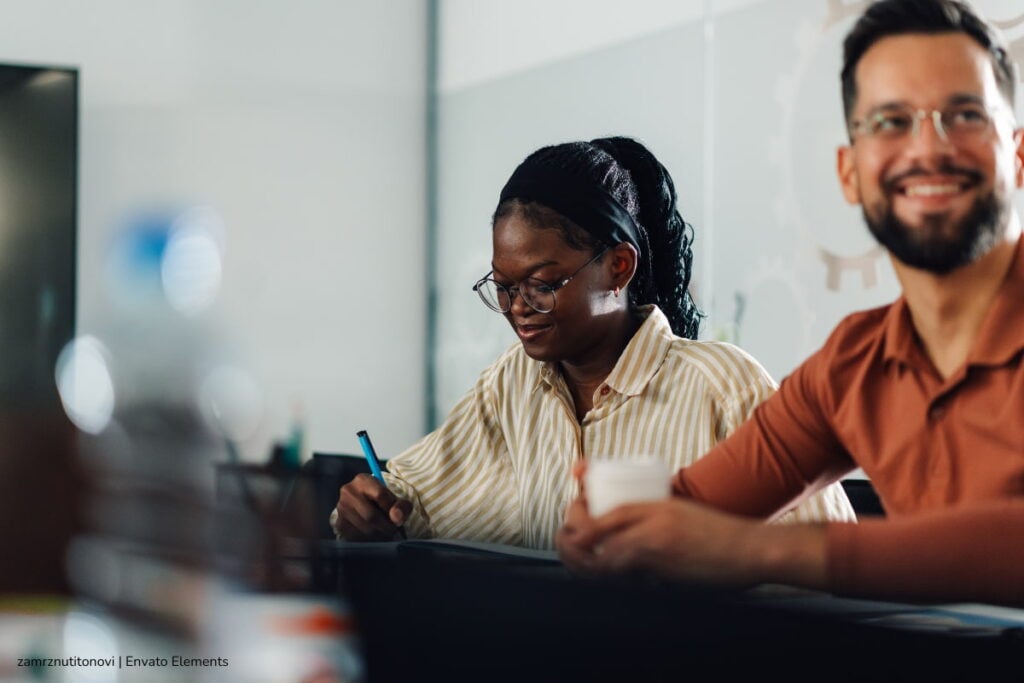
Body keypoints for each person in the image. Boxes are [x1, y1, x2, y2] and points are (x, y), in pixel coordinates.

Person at [556, 0, 1024, 607]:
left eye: (963, 115)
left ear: (1015, 156)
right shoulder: (854, 366)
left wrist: (761, 552)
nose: (928, 149)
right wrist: (612, 524)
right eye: (890, 121)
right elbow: (693, 511)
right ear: (849, 172)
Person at [331, 137, 854, 547]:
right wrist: (369, 509)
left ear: (618, 267)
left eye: (541, 284)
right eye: (505, 287)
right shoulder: (513, 384)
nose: (517, 308)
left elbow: (827, 568)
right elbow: (414, 500)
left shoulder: (722, 388)